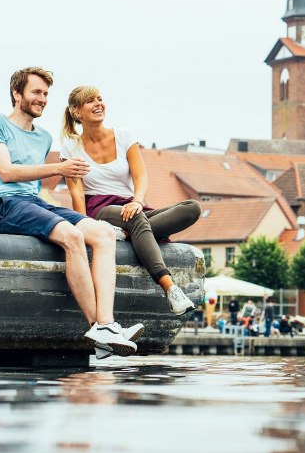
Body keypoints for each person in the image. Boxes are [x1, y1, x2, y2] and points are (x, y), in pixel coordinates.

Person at [0, 67, 140, 358]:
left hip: (32, 202)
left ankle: (107, 325)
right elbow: (6, 171)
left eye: (46, 94)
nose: (42, 99)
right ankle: (97, 328)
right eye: (36, 92)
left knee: (103, 233)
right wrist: (60, 168)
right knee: (72, 236)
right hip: (0, 204)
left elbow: (32, 187)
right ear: (17, 94)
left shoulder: (43, 137)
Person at [60, 85, 201, 315]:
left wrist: (137, 200)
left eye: (99, 98)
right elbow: (77, 193)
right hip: (100, 210)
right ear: (76, 112)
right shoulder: (70, 147)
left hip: (132, 207)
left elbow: (141, 177)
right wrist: (86, 227)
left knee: (191, 208)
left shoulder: (124, 136)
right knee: (136, 219)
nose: (98, 104)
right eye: (90, 101)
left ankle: (125, 234)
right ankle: (170, 288)